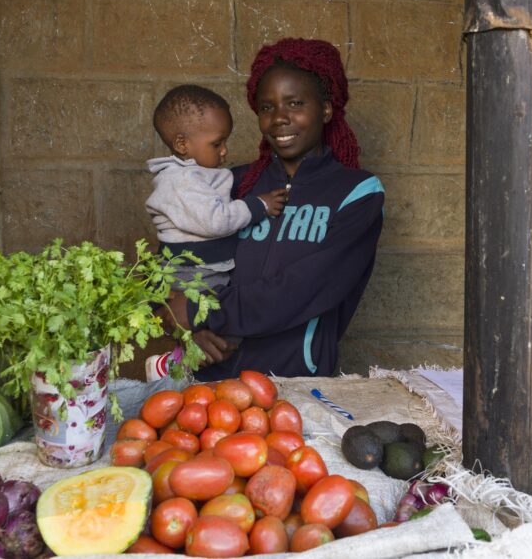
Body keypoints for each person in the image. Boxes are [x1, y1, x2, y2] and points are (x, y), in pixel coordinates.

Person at [163, 38, 385, 380]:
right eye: (267, 108)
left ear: (325, 109)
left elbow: (303, 289)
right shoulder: (231, 184)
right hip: (212, 385)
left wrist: (199, 311)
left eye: (295, 103)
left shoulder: (356, 193)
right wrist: (186, 330)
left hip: (295, 383)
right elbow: (174, 261)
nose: (280, 118)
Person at [145, 84, 286, 379]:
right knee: (219, 334)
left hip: (206, 271)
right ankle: (167, 367)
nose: (225, 151)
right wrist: (257, 206)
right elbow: (216, 221)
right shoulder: (180, 181)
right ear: (183, 145)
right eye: (217, 143)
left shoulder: (196, 175)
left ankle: (179, 363)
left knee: (222, 334)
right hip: (189, 273)